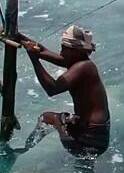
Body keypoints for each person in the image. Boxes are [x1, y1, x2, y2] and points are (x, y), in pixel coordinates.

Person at [19, 26, 111, 162]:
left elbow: (52, 89)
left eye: (63, 48)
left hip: (89, 137)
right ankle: (86, 166)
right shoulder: (80, 62)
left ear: (75, 51)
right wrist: (18, 37)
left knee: (46, 118)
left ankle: (25, 150)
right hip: (98, 137)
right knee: (84, 158)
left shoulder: (84, 67)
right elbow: (42, 51)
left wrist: (34, 59)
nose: (61, 52)